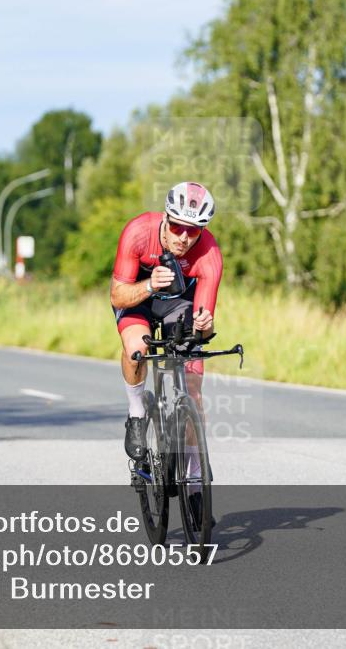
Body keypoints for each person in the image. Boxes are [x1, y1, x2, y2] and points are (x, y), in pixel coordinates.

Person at [109, 181, 223, 487]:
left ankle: (195, 471)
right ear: (166, 219)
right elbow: (118, 296)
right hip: (138, 299)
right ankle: (136, 412)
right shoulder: (138, 232)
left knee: (194, 388)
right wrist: (149, 285)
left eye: (194, 230)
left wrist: (204, 325)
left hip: (179, 305)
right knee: (137, 349)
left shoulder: (209, 252)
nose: (184, 238)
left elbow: (204, 323)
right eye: (177, 228)